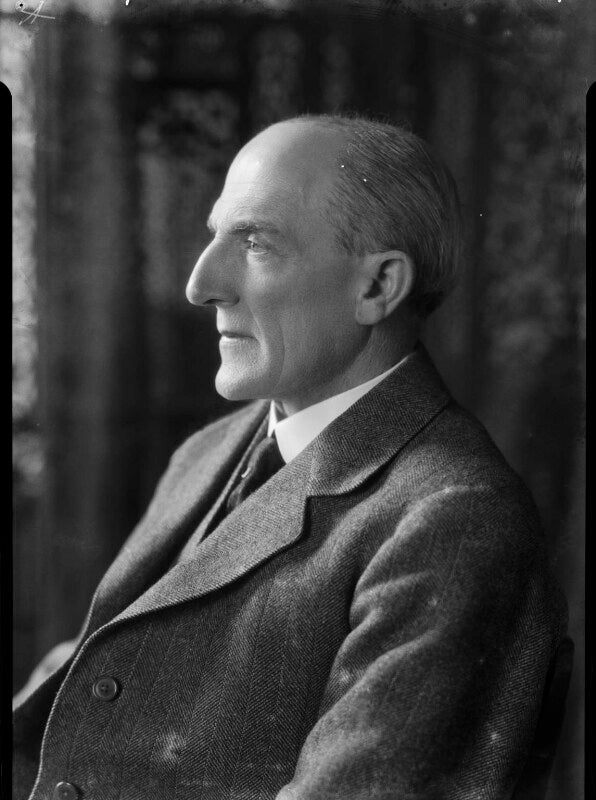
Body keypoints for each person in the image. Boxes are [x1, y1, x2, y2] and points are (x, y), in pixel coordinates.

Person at [13, 115, 567, 800]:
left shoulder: (455, 518)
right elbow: (92, 682)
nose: (200, 283)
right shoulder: (211, 451)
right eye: (215, 234)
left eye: (255, 242)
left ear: (377, 287)